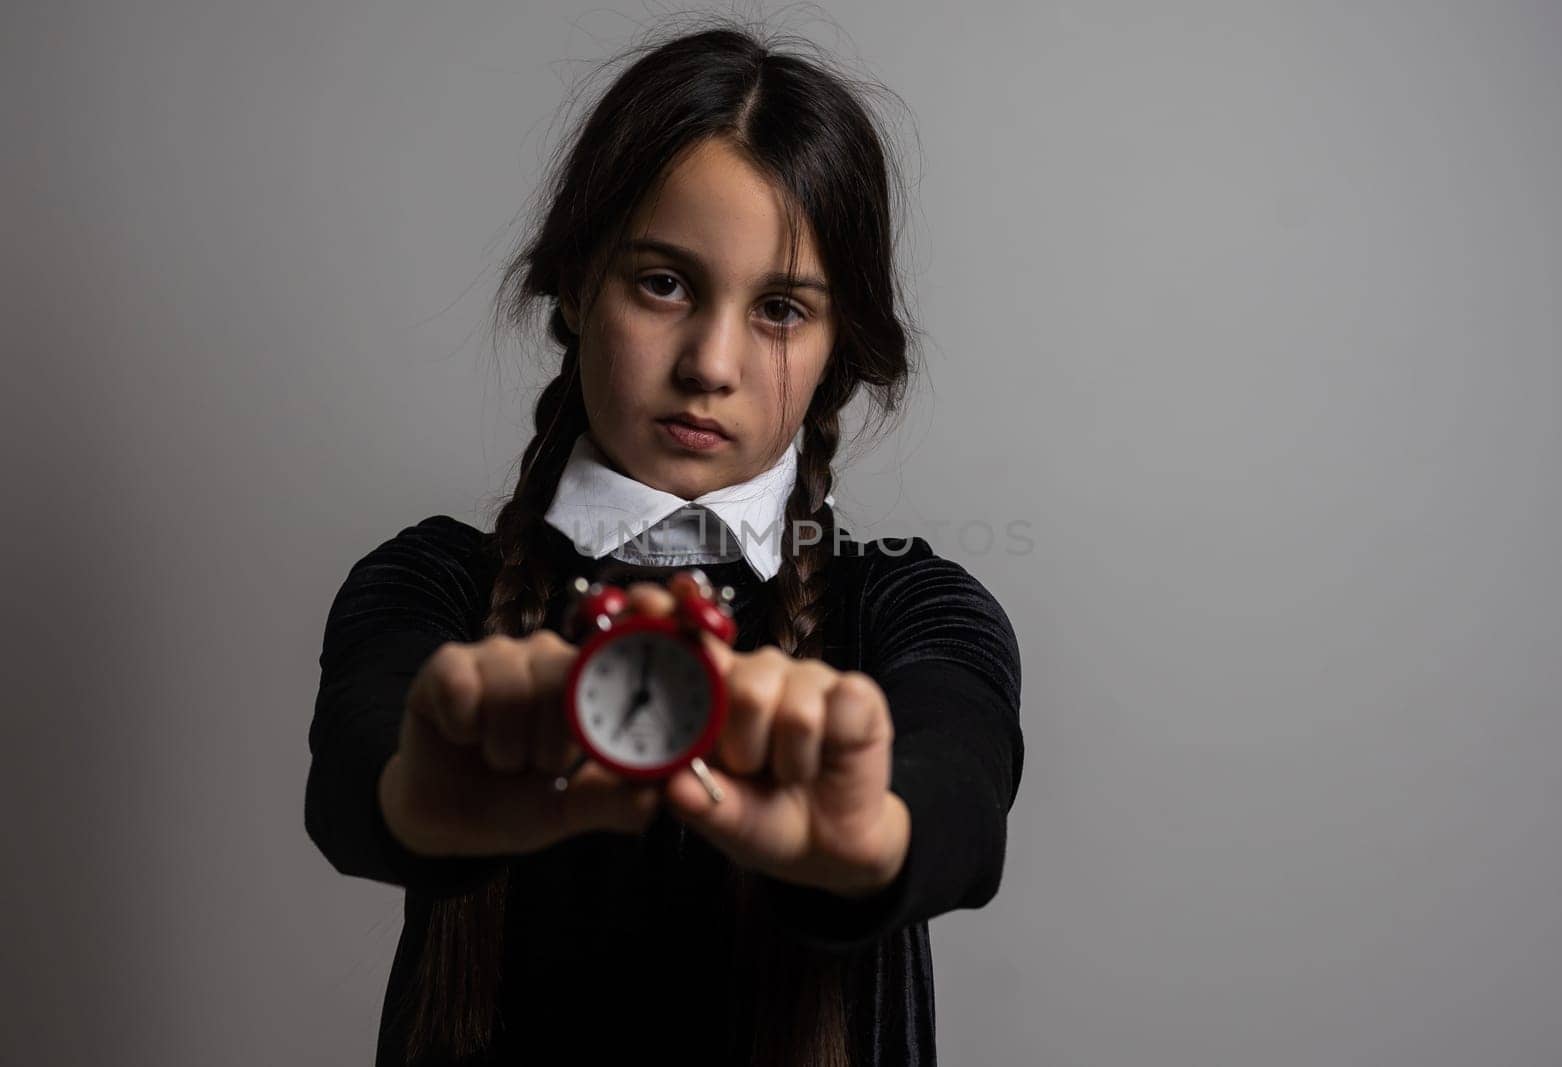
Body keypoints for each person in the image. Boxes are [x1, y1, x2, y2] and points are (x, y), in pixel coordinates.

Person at [304, 20, 1024, 1067]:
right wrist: (415, 793)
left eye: (779, 307)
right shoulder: (435, 583)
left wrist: (873, 834)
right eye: (663, 283)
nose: (710, 363)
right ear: (576, 282)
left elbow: (959, 766)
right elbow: (362, 755)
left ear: (838, 350)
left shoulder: (909, 604)